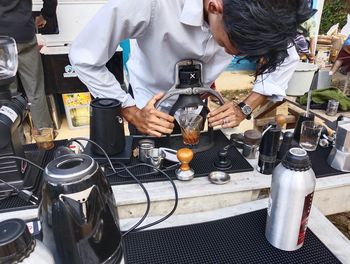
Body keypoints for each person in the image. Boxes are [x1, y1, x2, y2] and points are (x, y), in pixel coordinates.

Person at [69, 0, 315, 137]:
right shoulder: (147, 3)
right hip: (148, 104)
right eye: (234, 46)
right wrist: (131, 111)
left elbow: (287, 55)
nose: (238, 55)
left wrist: (245, 106)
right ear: (215, 7)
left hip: (199, 103)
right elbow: (84, 57)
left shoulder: (269, 9)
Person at [0, 0, 56, 130]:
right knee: (36, 92)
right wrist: (46, 15)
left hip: (2, 40)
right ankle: (45, 139)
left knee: (7, 96)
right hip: (24, 33)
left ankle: (14, 143)